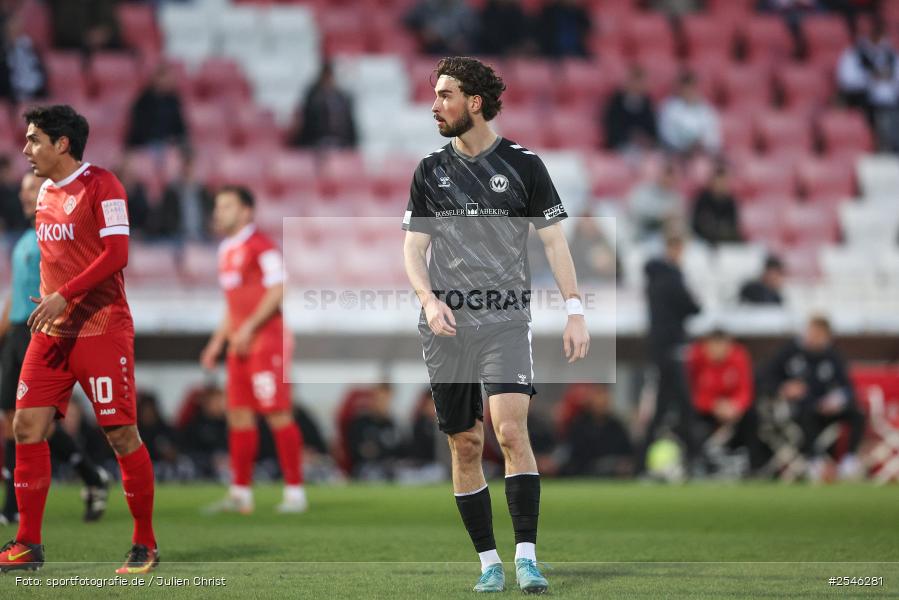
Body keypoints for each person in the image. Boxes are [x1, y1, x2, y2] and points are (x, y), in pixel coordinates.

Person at [403, 56, 589, 594]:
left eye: (445, 95)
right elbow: (413, 249)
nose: (435, 105)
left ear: (474, 102)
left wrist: (575, 309)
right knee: (465, 443)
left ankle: (527, 558)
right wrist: (430, 300)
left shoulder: (525, 166)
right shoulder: (428, 172)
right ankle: (489, 562)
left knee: (509, 431)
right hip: (446, 327)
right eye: (435, 95)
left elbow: (555, 242)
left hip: (506, 319)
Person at [0, 105, 157, 574]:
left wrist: (63, 295)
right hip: (51, 335)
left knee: (120, 434)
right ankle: (28, 544)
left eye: (34, 140)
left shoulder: (104, 185)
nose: (26, 149)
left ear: (61, 144)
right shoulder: (45, 191)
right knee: (25, 427)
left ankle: (144, 544)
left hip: (100, 328)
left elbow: (117, 254)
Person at [0, 171, 110, 526]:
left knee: (28, 421)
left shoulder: (56, 237)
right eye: (22, 189)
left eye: (31, 188)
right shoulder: (25, 239)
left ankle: (14, 506)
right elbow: (17, 292)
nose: (24, 194)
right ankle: (92, 477)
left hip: (39, 332)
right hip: (17, 333)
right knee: (13, 421)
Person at [199, 185, 307, 515]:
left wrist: (248, 327)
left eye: (227, 205)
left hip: (265, 342)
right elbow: (233, 303)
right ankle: (241, 493)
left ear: (246, 211)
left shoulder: (262, 246)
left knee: (277, 413)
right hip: (238, 346)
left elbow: (278, 289)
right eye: (218, 205)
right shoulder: (225, 250)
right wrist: (217, 341)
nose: (220, 212)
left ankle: (294, 493)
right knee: (238, 415)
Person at [762, 316, 866, 480]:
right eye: (811, 332)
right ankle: (815, 460)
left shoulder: (833, 356)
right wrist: (785, 388)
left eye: (818, 334)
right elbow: (765, 378)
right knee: (805, 413)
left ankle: (849, 460)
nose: (812, 337)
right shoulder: (789, 352)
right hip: (800, 408)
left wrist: (836, 400)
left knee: (857, 413)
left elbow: (847, 388)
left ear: (827, 336)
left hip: (827, 408)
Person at [639, 232, 701, 474]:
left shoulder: (653, 278)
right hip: (672, 350)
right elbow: (693, 306)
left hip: (658, 349)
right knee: (682, 407)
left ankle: (642, 462)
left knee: (663, 408)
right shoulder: (673, 279)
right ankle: (695, 458)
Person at [686, 329, 766, 473]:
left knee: (753, 416)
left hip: (734, 411)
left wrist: (735, 406)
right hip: (706, 411)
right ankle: (697, 465)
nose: (717, 351)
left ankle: (754, 466)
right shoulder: (695, 359)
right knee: (690, 421)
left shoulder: (739, 357)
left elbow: (745, 389)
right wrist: (713, 405)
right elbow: (691, 392)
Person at [558, 384, 633, 477]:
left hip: (613, 474)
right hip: (585, 474)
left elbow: (628, 453)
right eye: (599, 395)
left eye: (605, 396)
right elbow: (574, 455)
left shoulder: (617, 426)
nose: (602, 400)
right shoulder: (579, 425)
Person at [289, 63, 357, 150]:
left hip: (341, 143)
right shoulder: (313, 97)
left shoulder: (343, 98)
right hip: (316, 143)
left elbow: (350, 127)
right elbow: (307, 125)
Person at [346, 383, 403, 480]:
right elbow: (358, 451)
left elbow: (401, 451)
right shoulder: (360, 423)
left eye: (386, 399)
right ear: (372, 399)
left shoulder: (392, 424)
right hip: (366, 469)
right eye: (380, 399)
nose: (383, 403)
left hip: (391, 467)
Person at [152, 152, 213, 242]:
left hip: (200, 236)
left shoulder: (202, 190)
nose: (187, 170)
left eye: (190, 166)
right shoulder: (172, 190)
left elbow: (208, 213)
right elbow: (166, 215)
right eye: (185, 166)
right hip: (178, 237)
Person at [125, 63, 188, 151]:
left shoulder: (173, 100)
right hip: (146, 143)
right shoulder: (144, 100)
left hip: (169, 144)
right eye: (162, 78)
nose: (165, 81)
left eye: (168, 78)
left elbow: (179, 126)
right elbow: (139, 129)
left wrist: (177, 139)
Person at [659, 71, 721, 156]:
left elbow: (713, 135)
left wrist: (704, 144)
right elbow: (667, 135)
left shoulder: (706, 109)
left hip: (703, 152)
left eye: (692, 87)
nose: (689, 90)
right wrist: (685, 146)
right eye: (686, 87)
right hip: (677, 153)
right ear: (680, 88)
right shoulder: (669, 109)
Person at [602, 66, 658, 152]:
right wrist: (630, 137)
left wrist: (646, 139)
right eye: (635, 81)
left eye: (640, 82)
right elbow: (611, 126)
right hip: (622, 145)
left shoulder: (646, 102)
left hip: (643, 146)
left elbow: (652, 127)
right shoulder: (617, 101)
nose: (637, 85)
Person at [627, 162, 685, 244]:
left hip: (663, 240)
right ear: (660, 175)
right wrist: (660, 216)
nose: (668, 180)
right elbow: (635, 212)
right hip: (639, 237)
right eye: (666, 176)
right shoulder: (643, 190)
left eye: (671, 178)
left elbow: (678, 222)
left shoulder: (675, 198)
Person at [0, 11, 48, 104]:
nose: (16, 30)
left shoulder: (30, 47)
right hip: (11, 96)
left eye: (18, 27)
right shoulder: (3, 51)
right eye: (12, 27)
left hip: (35, 93)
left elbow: (41, 72)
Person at [404, 0, 480, 56]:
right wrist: (422, 32)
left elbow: (475, 34)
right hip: (430, 54)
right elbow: (406, 23)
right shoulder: (425, 7)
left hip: (458, 56)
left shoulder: (464, 10)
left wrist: (459, 41)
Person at [690, 166, 743, 246]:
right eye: (718, 181)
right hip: (702, 243)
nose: (721, 184)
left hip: (724, 243)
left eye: (723, 181)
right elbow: (697, 225)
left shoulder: (730, 202)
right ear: (712, 182)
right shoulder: (703, 199)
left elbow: (733, 226)